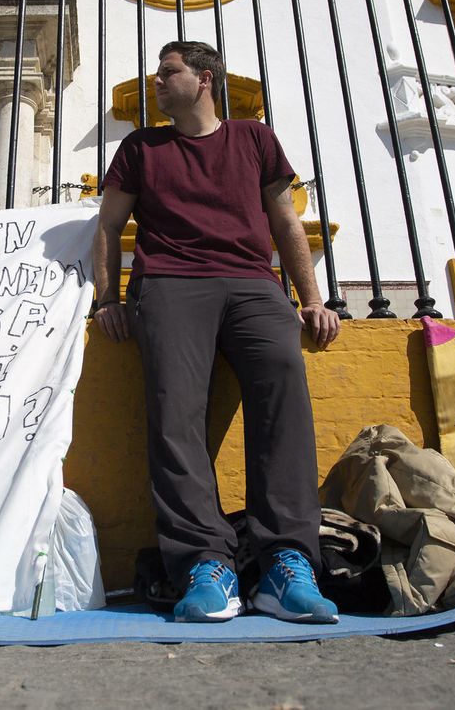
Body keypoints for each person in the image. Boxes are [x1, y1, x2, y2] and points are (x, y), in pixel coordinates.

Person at [91, 40, 341, 624]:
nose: (156, 80)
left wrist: (313, 300)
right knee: (175, 415)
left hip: (254, 284)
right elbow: (108, 224)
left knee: (283, 396)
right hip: (171, 285)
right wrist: (107, 297)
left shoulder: (255, 138)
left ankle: (286, 561)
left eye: (168, 71)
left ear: (205, 79)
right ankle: (205, 562)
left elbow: (287, 221)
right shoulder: (140, 146)